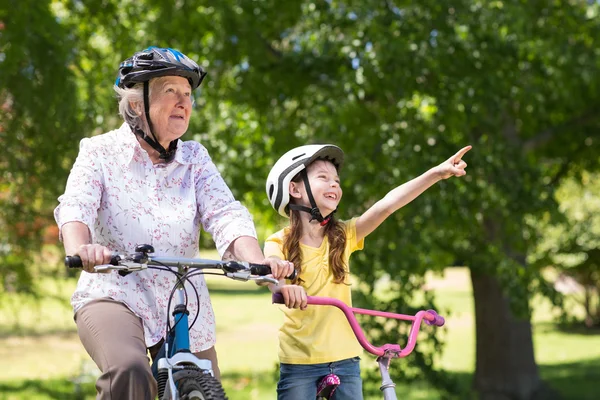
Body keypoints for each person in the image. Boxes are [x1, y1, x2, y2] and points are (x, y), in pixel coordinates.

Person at [54, 46, 303, 399]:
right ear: (137, 103)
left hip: (183, 301)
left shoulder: (195, 158)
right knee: (130, 371)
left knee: (205, 387)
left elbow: (225, 214)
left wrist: (257, 262)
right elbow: (76, 206)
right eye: (170, 91)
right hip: (114, 292)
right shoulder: (99, 152)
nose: (183, 102)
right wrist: (82, 249)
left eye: (187, 94)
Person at [263, 143, 472, 400]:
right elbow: (271, 272)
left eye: (337, 181)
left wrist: (437, 174)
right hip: (300, 362)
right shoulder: (278, 242)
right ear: (294, 189)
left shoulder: (344, 236)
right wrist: (283, 286)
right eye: (323, 178)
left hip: (346, 359)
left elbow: (387, 205)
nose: (334, 185)